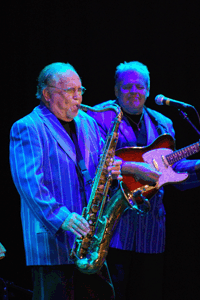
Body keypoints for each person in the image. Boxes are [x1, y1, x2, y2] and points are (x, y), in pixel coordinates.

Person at [87, 61, 200, 300]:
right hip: (115, 230)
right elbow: (93, 163)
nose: (134, 92)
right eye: (127, 87)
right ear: (116, 90)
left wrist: (197, 166)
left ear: (148, 90)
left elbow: (170, 168)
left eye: (139, 87)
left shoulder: (163, 123)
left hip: (152, 230)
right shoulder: (98, 117)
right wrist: (136, 169)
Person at [9, 62, 122, 300]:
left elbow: (99, 170)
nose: (78, 97)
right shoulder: (27, 127)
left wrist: (112, 172)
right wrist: (63, 217)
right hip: (53, 242)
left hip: (90, 241)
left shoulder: (89, 122)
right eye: (70, 91)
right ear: (47, 94)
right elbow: (29, 184)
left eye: (80, 90)